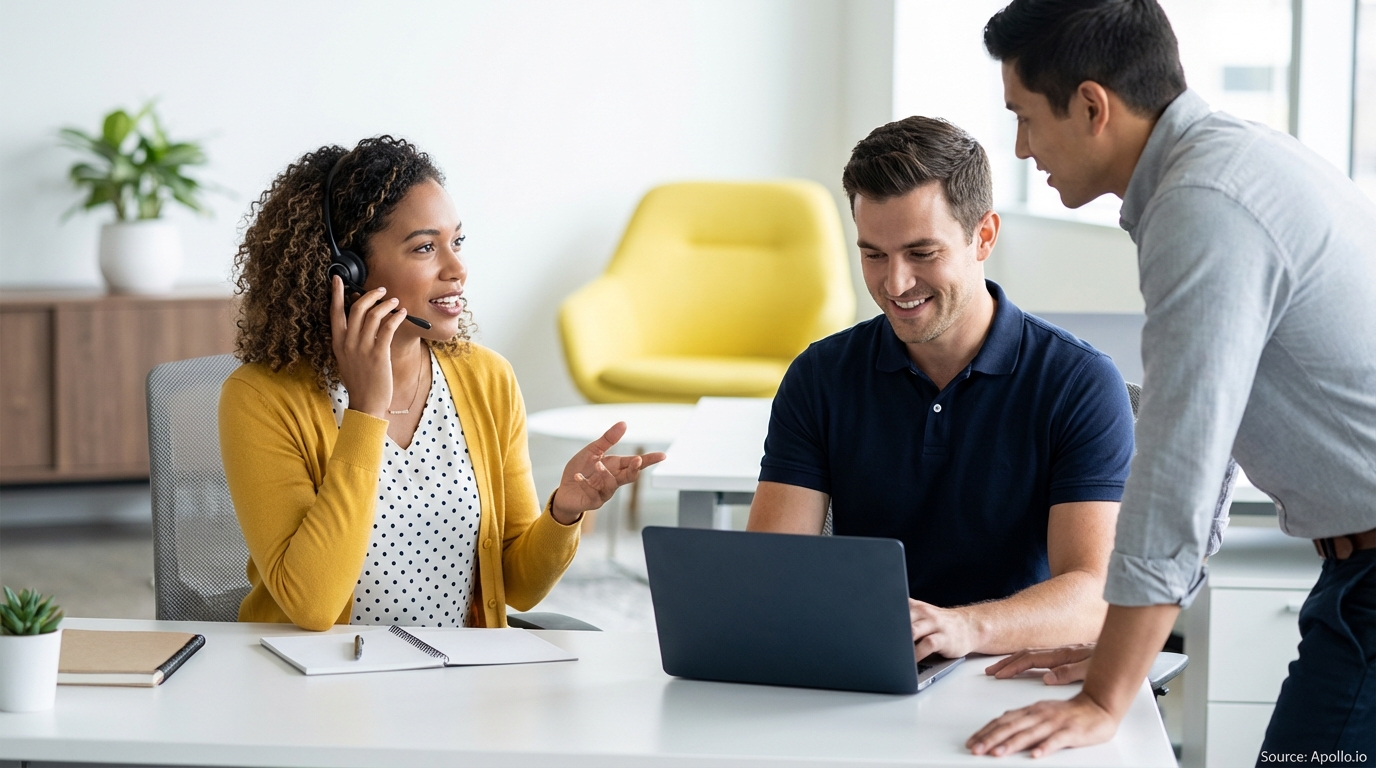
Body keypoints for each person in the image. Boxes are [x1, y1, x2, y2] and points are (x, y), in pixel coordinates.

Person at [969, 0, 1376, 760]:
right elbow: (1212, 444)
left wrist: (1105, 695)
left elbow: (1178, 466)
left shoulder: (1203, 204)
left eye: (1025, 118)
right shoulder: (1218, 169)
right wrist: (1124, 650)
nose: (1021, 149)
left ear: (1093, 106)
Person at [220, 136, 663, 631]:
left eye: (457, 242)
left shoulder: (487, 379)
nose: (457, 269)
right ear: (348, 269)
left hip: (453, 680)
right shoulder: (261, 397)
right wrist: (367, 411)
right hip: (314, 684)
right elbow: (313, 605)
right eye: (426, 247)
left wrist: (562, 514)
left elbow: (515, 585)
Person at [746, 116, 1136, 660]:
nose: (895, 283)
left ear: (984, 237)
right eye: (873, 254)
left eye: (922, 253)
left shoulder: (1079, 382)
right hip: (867, 665)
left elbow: (1095, 594)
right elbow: (771, 574)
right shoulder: (821, 376)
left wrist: (963, 628)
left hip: (1010, 665)